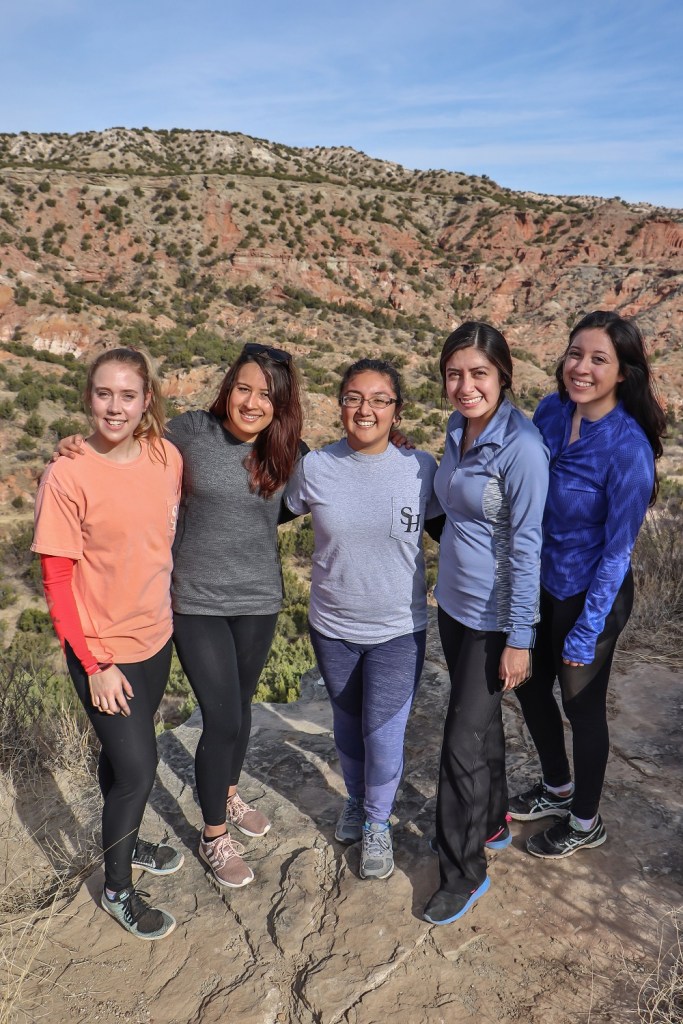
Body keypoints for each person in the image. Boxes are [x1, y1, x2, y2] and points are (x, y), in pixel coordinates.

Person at [55, 342, 304, 891]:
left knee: (238, 708)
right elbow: (125, 451)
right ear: (227, 389)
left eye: (267, 394)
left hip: (259, 600)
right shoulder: (191, 433)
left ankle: (228, 793)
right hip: (193, 603)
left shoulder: (289, 449)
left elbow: (301, 498)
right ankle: (214, 835)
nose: (252, 402)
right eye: (243, 388)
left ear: (281, 404)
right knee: (222, 718)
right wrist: (76, 445)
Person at [33, 348, 184, 941]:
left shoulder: (164, 456)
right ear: (87, 397)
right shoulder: (67, 474)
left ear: (147, 400)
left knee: (120, 760)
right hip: (102, 653)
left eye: (127, 395)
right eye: (103, 394)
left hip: (156, 637)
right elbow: (56, 582)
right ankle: (118, 889)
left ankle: (129, 837)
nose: (114, 407)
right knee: (140, 769)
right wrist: (94, 663)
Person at [509, 311, 665, 859]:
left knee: (581, 707)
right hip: (542, 582)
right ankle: (557, 787)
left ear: (623, 373)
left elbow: (617, 551)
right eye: (576, 354)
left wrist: (586, 631)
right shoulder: (551, 411)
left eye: (599, 359)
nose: (581, 367)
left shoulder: (628, 448)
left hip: (590, 594)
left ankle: (585, 820)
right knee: (528, 686)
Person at [284, 358, 442, 880]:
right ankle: (356, 801)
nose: (365, 409)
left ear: (397, 410)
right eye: (354, 397)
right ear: (341, 403)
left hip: (399, 627)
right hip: (332, 624)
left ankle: (378, 823)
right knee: (348, 725)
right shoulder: (317, 468)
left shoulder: (421, 469)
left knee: (383, 731)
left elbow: (456, 529)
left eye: (379, 399)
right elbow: (265, 502)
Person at [423, 322, 549, 926]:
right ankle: (492, 818)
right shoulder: (456, 429)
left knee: (459, 742)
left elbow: (528, 546)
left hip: (495, 618)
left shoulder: (522, 448)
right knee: (479, 727)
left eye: (478, 373)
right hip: (452, 605)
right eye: (455, 373)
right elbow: (450, 509)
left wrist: (520, 637)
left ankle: (462, 870)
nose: (465, 386)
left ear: (503, 375)